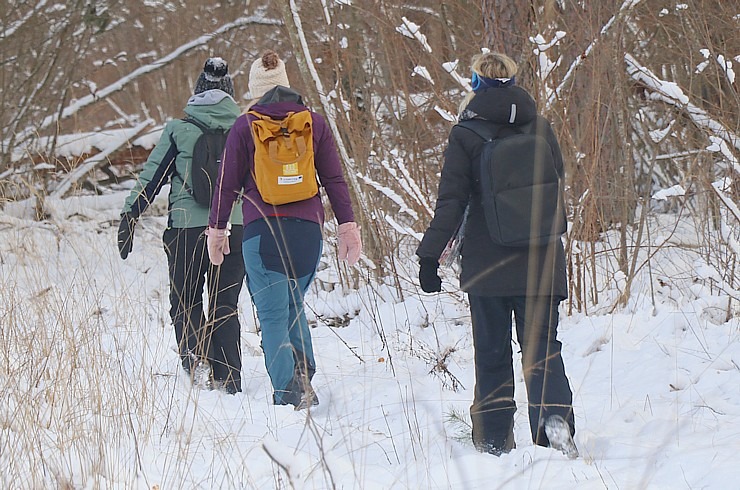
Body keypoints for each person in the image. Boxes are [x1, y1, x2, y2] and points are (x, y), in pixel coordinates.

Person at [416, 52, 578, 457]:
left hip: (488, 264)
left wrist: (429, 256)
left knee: (492, 351)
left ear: (474, 83)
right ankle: (554, 424)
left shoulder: (465, 135)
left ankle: (492, 439)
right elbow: (554, 184)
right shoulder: (541, 128)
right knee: (542, 348)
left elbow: (450, 203)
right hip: (542, 261)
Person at [207, 51, 362, 410]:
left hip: (263, 233)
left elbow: (225, 185)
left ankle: (289, 392)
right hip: (308, 234)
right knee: (293, 304)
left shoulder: (245, 126)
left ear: (253, 89)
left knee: (274, 313)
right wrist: (347, 226)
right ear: (287, 82)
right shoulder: (314, 123)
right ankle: (304, 375)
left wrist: (218, 232)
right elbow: (334, 179)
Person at [118, 57, 245, 394]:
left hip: (187, 228)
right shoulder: (244, 129)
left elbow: (152, 176)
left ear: (197, 93)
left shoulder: (179, 129)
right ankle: (229, 377)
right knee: (225, 304)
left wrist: (130, 215)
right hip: (235, 225)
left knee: (185, 299)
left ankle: (199, 363)